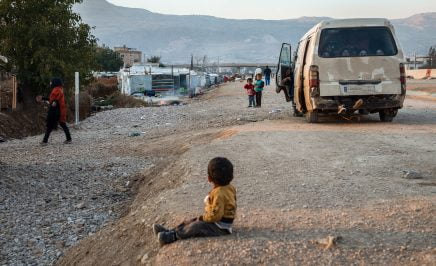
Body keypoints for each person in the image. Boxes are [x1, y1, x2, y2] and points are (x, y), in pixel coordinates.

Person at [153, 157, 237, 246]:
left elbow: (216, 216)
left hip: (220, 228)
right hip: (220, 222)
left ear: (209, 178)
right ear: (231, 176)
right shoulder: (229, 188)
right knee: (193, 220)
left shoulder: (219, 194)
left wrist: (204, 218)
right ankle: (171, 231)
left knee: (196, 226)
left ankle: (172, 236)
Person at [40, 78, 72, 145]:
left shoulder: (57, 89)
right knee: (62, 124)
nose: (50, 83)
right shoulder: (58, 89)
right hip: (59, 110)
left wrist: (55, 102)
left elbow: (55, 99)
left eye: (51, 82)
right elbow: (52, 99)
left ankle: (45, 141)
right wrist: (43, 98)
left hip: (57, 110)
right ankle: (69, 139)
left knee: (51, 125)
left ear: (55, 82)